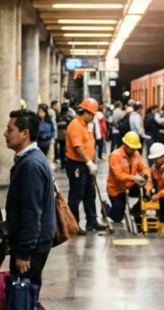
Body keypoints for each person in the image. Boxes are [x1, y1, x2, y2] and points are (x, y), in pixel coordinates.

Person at [4, 109, 56, 310]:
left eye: (10, 129)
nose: (5, 134)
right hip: (33, 241)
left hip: (32, 246)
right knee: (27, 297)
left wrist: (24, 252)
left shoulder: (31, 165)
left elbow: (31, 212)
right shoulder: (31, 159)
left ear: (25, 133)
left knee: (23, 298)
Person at [65, 98, 106, 235]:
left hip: (86, 164)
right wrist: (89, 162)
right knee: (76, 195)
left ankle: (92, 221)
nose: (93, 117)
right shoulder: (75, 125)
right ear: (86, 112)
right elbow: (78, 147)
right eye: (92, 115)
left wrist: (90, 162)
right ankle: (73, 225)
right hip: (77, 164)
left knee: (90, 193)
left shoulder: (86, 125)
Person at [106, 132, 148, 223]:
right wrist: (135, 178)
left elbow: (142, 167)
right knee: (118, 217)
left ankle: (135, 210)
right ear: (125, 145)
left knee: (147, 191)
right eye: (132, 148)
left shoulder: (135, 153)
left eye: (135, 148)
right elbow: (118, 176)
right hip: (116, 189)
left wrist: (145, 174)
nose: (134, 150)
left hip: (130, 185)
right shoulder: (115, 156)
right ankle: (106, 208)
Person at [145, 142, 164, 231]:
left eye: (156, 158)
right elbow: (150, 180)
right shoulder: (154, 168)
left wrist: (157, 196)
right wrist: (148, 189)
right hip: (161, 192)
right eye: (153, 159)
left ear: (163, 156)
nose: (154, 161)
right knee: (159, 207)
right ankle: (161, 222)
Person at [55, 105, 71, 169]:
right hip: (66, 133)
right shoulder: (69, 115)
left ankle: (62, 163)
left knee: (61, 147)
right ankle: (65, 162)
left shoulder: (59, 115)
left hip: (59, 134)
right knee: (65, 148)